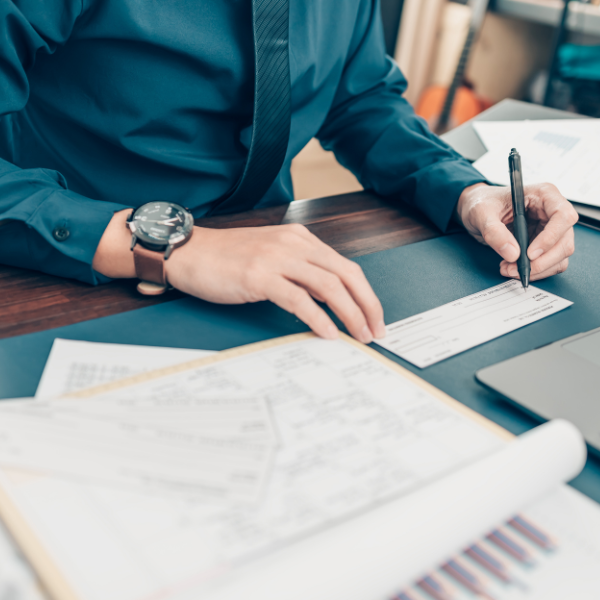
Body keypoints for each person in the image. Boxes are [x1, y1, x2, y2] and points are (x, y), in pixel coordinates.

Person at [0, 0, 578, 344]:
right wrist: (173, 247)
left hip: (271, 272)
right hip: (63, 274)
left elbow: (360, 99)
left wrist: (467, 190)